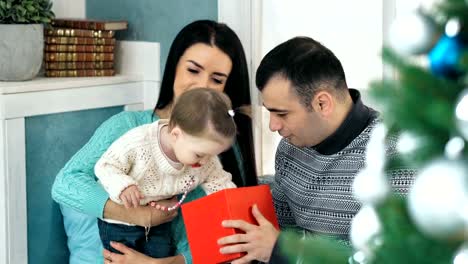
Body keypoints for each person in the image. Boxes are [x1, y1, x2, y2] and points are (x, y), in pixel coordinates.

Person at [51, 19, 258, 264]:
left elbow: (228, 237)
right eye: (193, 70)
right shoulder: (128, 128)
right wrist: (137, 215)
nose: (202, 86)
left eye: (217, 79)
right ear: (173, 67)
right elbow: (65, 184)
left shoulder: (215, 148)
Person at [217, 36, 414, 263]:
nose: (273, 126)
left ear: (322, 103)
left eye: (281, 114)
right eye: (269, 112)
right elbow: (280, 228)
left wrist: (283, 251)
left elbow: (395, 255)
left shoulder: (397, 155)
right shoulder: (290, 150)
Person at [96, 88, 238, 258]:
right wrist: (123, 186)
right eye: (200, 154)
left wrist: (232, 206)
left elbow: (220, 183)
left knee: (161, 255)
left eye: (213, 154)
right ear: (176, 135)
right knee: (121, 259)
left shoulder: (204, 159)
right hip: (119, 223)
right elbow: (105, 165)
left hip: (160, 222)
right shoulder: (138, 143)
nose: (205, 162)